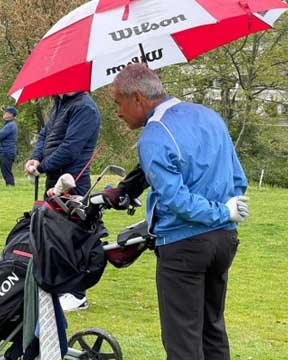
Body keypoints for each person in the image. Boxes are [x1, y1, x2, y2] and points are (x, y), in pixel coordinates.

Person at [102, 63, 249, 359]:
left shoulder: (154, 135)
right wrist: (226, 212)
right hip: (224, 240)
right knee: (212, 330)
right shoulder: (210, 116)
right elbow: (238, 179)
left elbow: (176, 201)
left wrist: (219, 212)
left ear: (138, 99)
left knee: (182, 339)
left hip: (184, 246)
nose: (118, 113)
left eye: (119, 104)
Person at [23, 92, 101, 312]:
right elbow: (46, 135)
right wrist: (36, 158)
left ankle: (77, 295)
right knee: (54, 236)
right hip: (54, 177)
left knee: (74, 237)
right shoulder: (61, 102)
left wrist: (42, 166)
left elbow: (70, 148)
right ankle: (58, 286)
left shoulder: (85, 107)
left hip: (73, 180)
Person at [0, 106, 18, 186]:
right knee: (5, 170)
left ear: (11, 115)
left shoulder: (10, 125)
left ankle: (10, 186)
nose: (4, 114)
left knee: (6, 171)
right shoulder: (8, 124)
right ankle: (9, 185)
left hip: (7, 151)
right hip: (5, 151)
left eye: (6, 112)